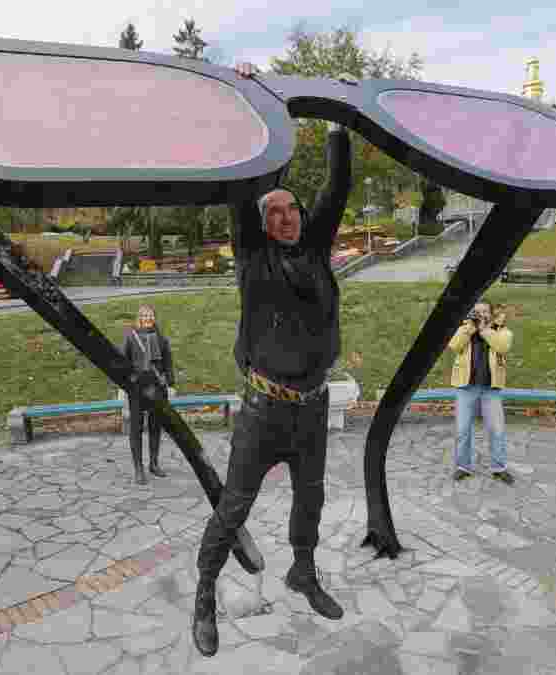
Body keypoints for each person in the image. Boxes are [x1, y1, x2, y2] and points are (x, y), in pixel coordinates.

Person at [191, 62, 353, 658]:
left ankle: (302, 571)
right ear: (260, 224)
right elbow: (246, 180)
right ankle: (205, 591)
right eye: (273, 212)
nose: (285, 217)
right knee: (235, 506)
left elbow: (336, 188)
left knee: (311, 498)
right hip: (263, 411)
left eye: (292, 209)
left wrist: (337, 120)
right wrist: (252, 101)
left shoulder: (315, 254)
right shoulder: (253, 263)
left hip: (312, 408)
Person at [448, 301, 514, 484]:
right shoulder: (465, 329)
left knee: (497, 430)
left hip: (490, 389)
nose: (481, 314)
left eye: (485, 311)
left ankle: (499, 468)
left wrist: (485, 330)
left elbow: (503, 347)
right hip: (465, 387)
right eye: (477, 312)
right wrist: (470, 328)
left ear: (491, 314)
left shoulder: (502, 331)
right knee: (462, 430)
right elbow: (454, 346)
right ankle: (463, 466)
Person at [121, 305, 175, 484]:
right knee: (136, 428)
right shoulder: (130, 337)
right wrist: (125, 385)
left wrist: (171, 383)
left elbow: (168, 363)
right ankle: (138, 468)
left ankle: (154, 463)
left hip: (157, 387)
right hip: (137, 389)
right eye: (144, 315)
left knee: (155, 426)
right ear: (139, 317)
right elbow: (123, 363)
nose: (147, 318)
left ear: (154, 317)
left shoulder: (161, 338)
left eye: (150, 315)